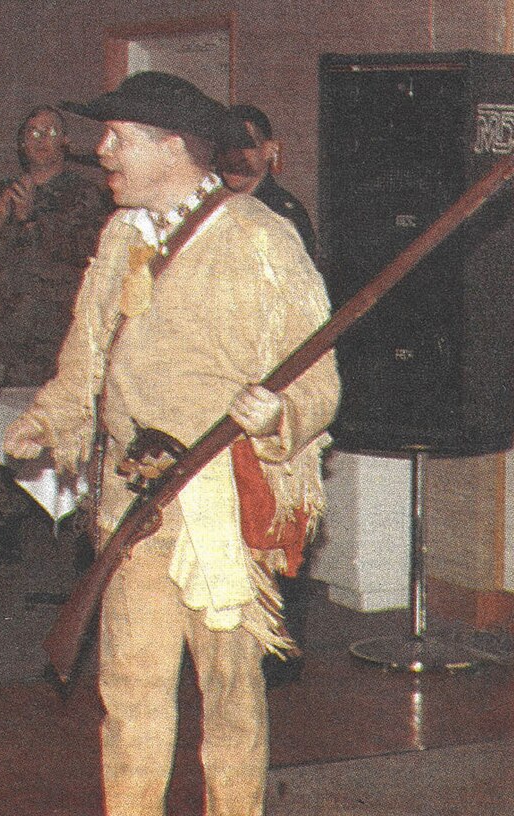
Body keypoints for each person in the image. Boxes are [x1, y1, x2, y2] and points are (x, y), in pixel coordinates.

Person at [2, 72, 340, 816]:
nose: (101, 152)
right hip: (136, 508)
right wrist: (51, 419)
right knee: (130, 696)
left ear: (173, 147)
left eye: (118, 138)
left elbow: (318, 382)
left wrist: (275, 412)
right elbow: (87, 358)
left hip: (221, 506)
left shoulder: (260, 240)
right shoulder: (120, 236)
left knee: (230, 699)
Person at [220, 102, 319, 688]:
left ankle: (281, 647)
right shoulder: (214, 209)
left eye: (249, 145)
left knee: (278, 522)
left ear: (270, 151)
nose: (237, 157)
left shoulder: (282, 216)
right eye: (227, 145)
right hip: (225, 386)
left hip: (273, 388)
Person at [0, 104, 112, 388]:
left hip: (58, 335)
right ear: (21, 143)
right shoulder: (5, 192)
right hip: (7, 335)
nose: (40, 139)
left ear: (65, 141)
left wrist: (31, 221)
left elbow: (90, 252)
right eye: (33, 132)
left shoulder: (85, 193)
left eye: (50, 132)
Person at [220, 103, 316, 258]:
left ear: (268, 150)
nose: (233, 157)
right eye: (225, 146)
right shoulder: (214, 205)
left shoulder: (281, 212)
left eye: (244, 145)